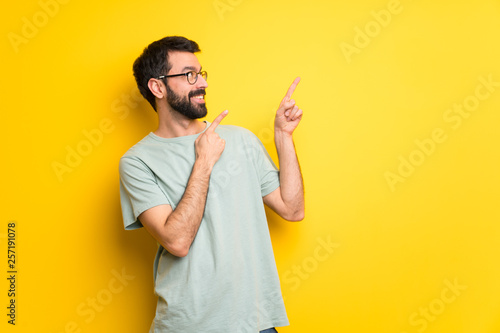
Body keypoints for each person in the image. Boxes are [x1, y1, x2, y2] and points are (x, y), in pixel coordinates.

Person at [119, 36, 304, 333]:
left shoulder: (240, 140)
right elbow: (177, 241)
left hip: (255, 322)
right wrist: (204, 161)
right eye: (188, 74)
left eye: (201, 73)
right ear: (157, 87)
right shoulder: (137, 162)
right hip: (188, 326)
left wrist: (283, 136)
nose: (201, 83)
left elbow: (292, 209)